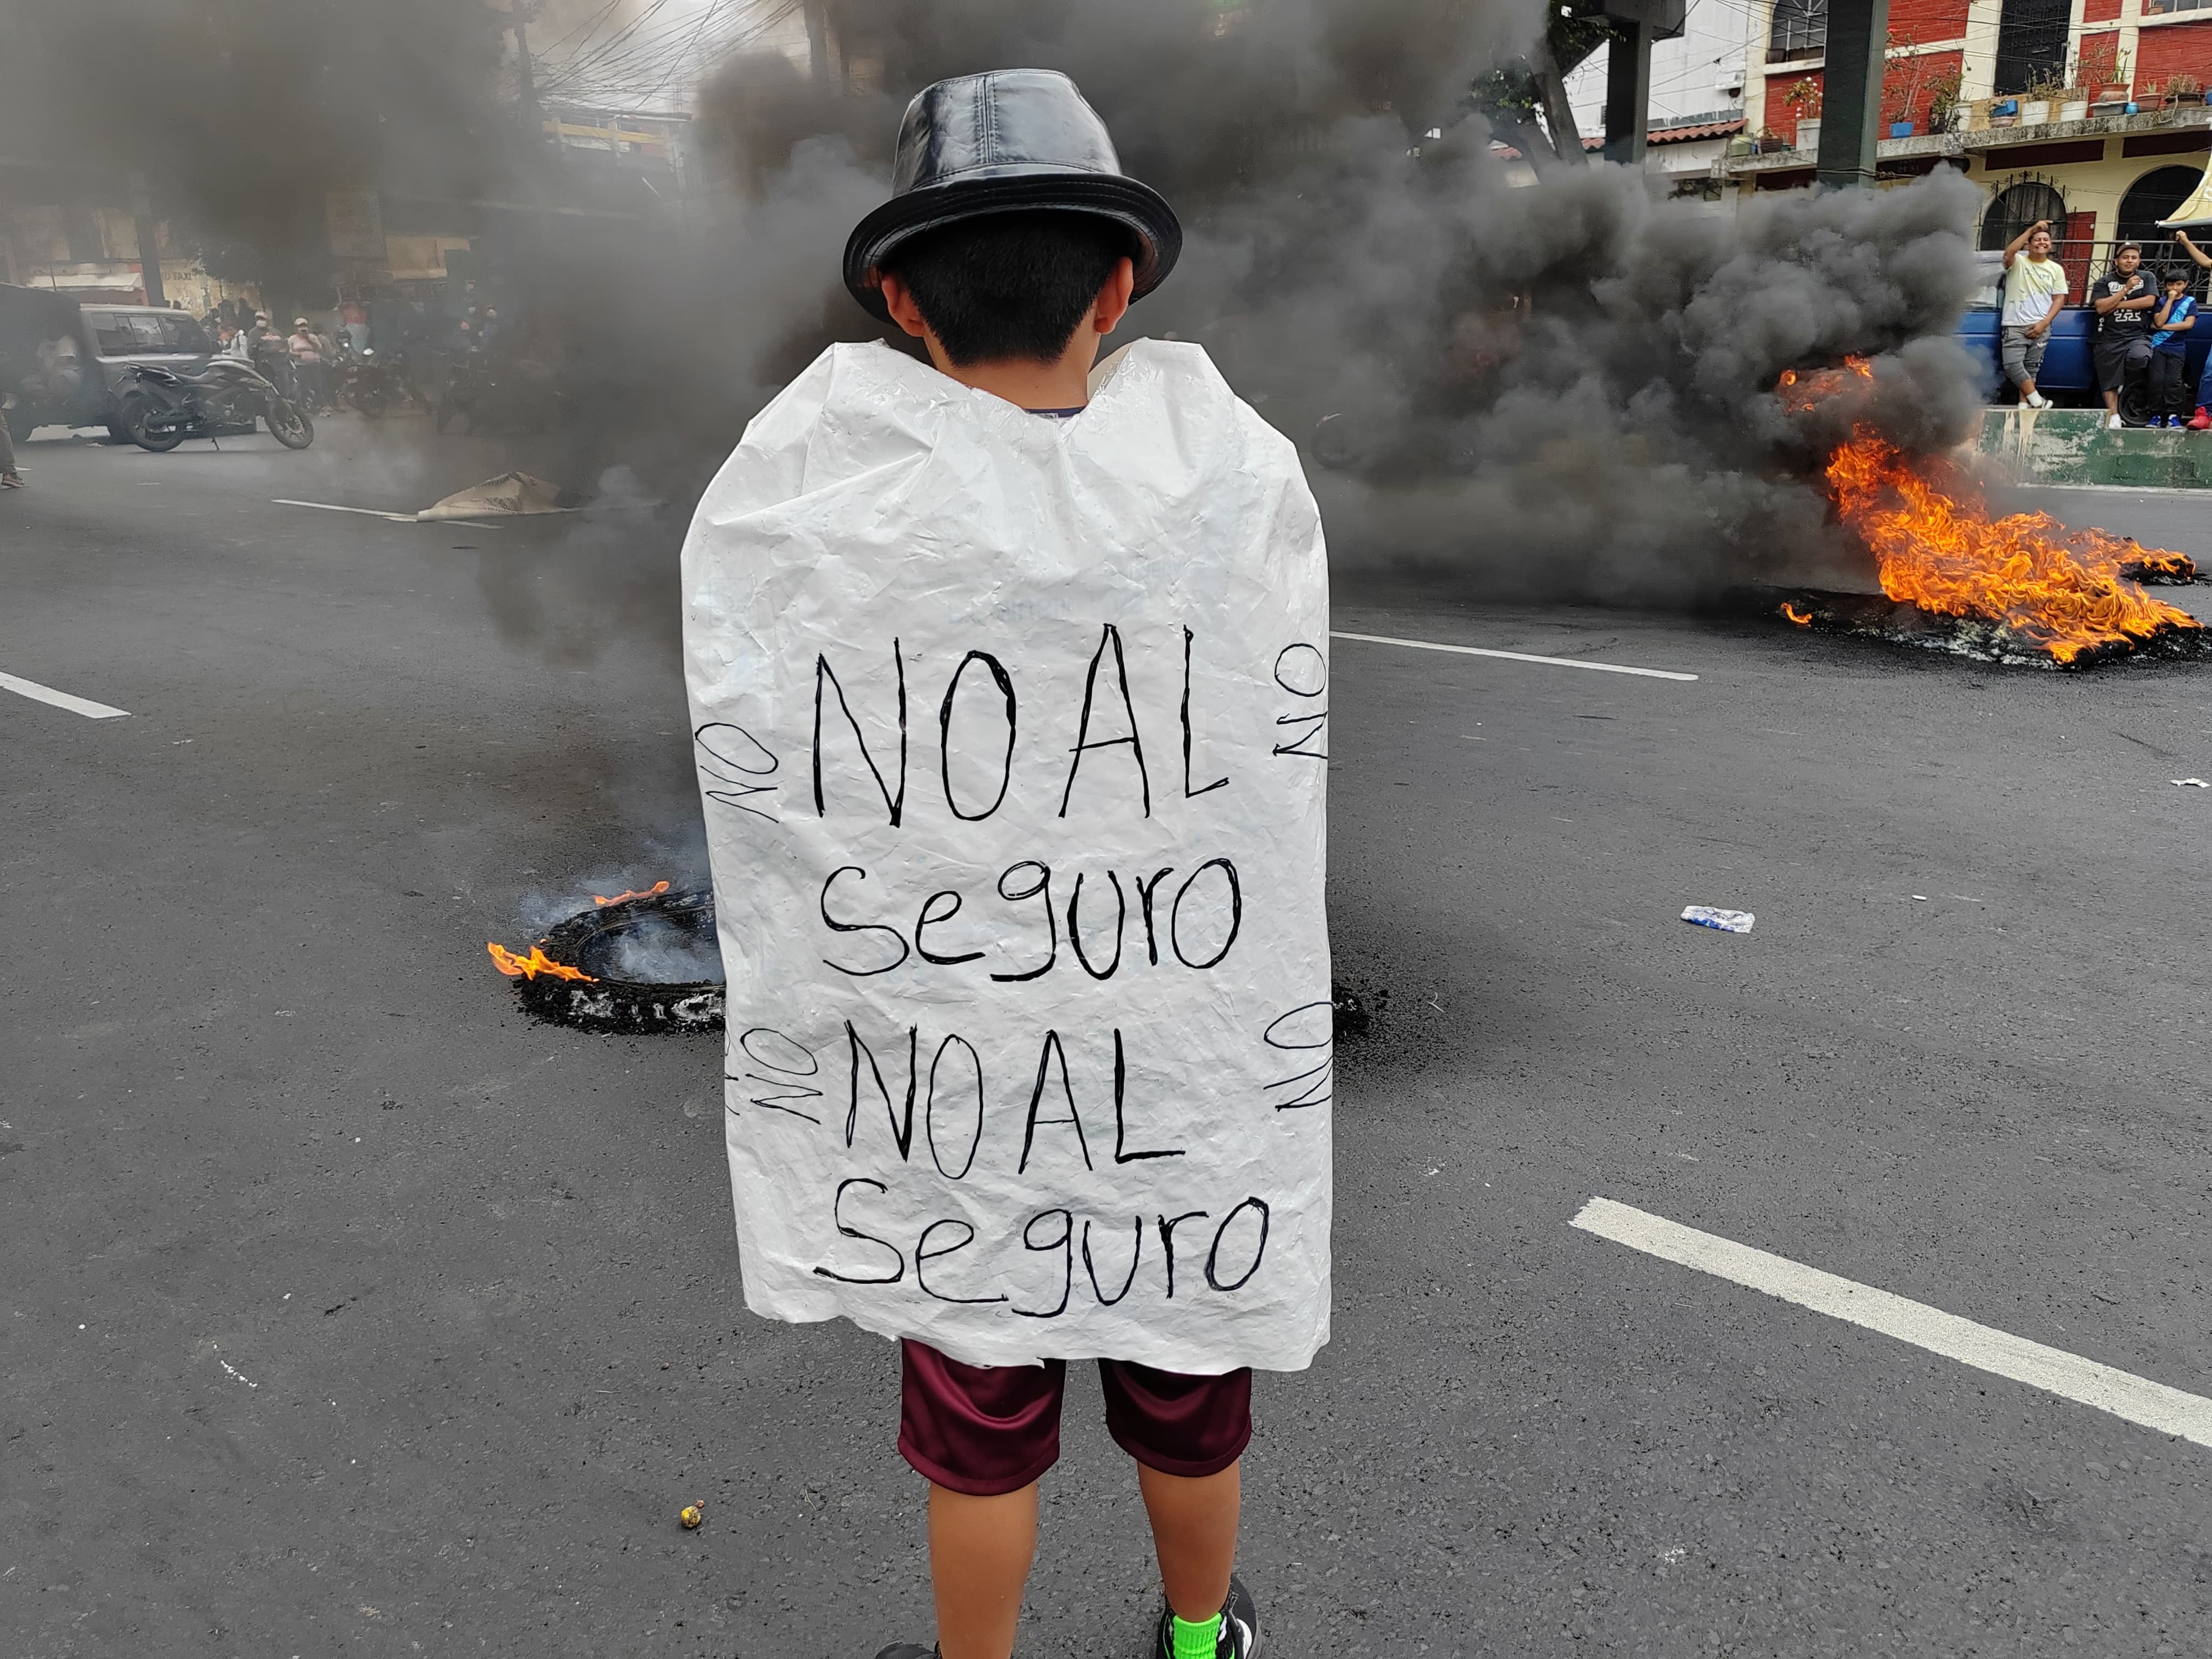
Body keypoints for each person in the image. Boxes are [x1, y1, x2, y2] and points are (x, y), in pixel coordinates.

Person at [680, 69, 1326, 1659]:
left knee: (980, 1416)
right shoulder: (1229, 484)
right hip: (1171, 1091)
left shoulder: (828, 507)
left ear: (901, 300)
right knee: (1189, 1384)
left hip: (956, 1109)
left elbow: (781, 783)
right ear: (1119, 285)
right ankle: (1197, 1645)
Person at [2090, 240, 2159, 429]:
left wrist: (2115, 304)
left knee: (2141, 357)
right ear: (2116, 261)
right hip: (2108, 337)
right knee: (2108, 380)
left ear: (2139, 261)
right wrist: (2126, 289)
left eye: (2133, 258)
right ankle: (2114, 417)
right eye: (2125, 257)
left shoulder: (2147, 277)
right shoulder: (2104, 282)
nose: (2129, 261)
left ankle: (2121, 380)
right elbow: (2101, 308)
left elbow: (2149, 302)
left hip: (2137, 335)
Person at [1999, 219, 2067, 409]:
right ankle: (2038, 401)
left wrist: (2044, 324)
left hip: (2041, 326)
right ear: (2028, 244)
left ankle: (2024, 406)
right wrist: (2032, 229)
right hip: (2014, 325)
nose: (2042, 243)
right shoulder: (2018, 262)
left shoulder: (2056, 270)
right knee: (2012, 366)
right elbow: (2009, 253)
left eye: (2046, 240)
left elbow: (2059, 299)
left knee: (2031, 369)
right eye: (2037, 240)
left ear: (2050, 245)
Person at [2148, 268, 2198, 427]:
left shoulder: (2190, 302)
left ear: (2186, 285)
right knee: (2156, 381)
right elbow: (2159, 321)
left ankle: (2172, 415)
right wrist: (2169, 301)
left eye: (2179, 284)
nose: (2175, 288)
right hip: (2158, 346)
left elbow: (2188, 324)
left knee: (2173, 382)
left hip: (2177, 348)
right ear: (2165, 286)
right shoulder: (2161, 302)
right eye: (2171, 284)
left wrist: (2162, 327)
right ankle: (2155, 414)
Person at [287, 316, 328, 411]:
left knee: (317, 384)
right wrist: (295, 354)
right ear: (296, 328)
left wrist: (309, 339)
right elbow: (289, 351)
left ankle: (320, 404)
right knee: (304, 385)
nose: (303, 328)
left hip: (314, 363)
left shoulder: (313, 337)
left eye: (304, 326)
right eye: (300, 326)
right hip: (301, 365)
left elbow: (320, 349)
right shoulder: (292, 339)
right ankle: (303, 405)